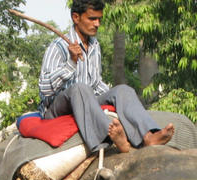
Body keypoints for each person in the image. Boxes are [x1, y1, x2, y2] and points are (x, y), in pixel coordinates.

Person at [38, 0, 174, 153]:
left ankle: (148, 136)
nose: (97, 24)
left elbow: (96, 83)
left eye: (99, 19)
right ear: (76, 18)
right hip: (58, 108)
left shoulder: (95, 46)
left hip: (87, 100)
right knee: (80, 89)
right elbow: (44, 91)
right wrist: (71, 63)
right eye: (92, 19)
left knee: (123, 90)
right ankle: (110, 139)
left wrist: (115, 96)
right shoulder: (58, 47)